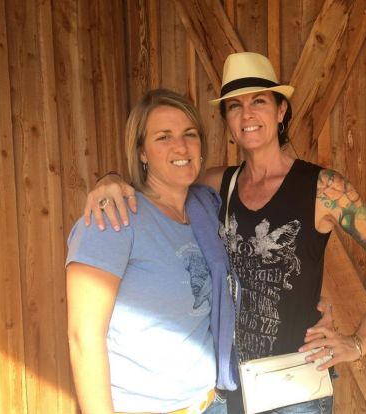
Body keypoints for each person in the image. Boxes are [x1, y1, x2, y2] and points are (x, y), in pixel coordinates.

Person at [84, 52, 366, 414]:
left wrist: (359, 342)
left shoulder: (324, 189)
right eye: (235, 106)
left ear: (281, 110)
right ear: (227, 119)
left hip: (296, 390)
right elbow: (161, 181)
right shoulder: (215, 186)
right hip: (232, 389)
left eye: (259, 101)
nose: (247, 114)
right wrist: (109, 180)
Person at [66, 89, 237, 413]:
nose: (181, 147)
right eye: (164, 137)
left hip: (209, 402)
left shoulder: (202, 209)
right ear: (141, 152)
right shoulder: (113, 218)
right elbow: (83, 337)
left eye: (190, 134)